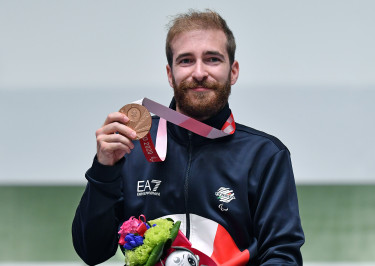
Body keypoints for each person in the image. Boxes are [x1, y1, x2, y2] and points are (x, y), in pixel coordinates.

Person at [72, 9, 305, 265]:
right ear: (170, 75)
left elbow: (282, 256)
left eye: (213, 59)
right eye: (186, 61)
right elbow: (91, 251)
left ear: (233, 71)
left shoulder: (264, 155)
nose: (199, 72)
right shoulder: (132, 148)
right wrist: (104, 169)